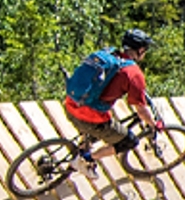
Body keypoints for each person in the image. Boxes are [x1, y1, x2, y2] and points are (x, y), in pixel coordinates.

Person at [61, 28, 159, 169]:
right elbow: (141, 110)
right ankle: (86, 160)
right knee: (128, 141)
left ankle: (83, 146)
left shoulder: (107, 54)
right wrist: (152, 124)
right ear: (141, 49)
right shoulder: (133, 73)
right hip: (90, 118)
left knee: (96, 127)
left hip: (71, 105)